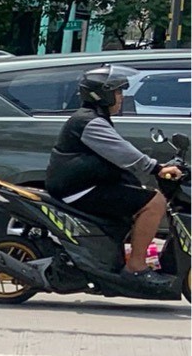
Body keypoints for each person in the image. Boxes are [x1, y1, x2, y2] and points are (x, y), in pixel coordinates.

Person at [43, 68, 185, 275]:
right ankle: (136, 265)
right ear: (102, 95)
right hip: (78, 189)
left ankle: (124, 256)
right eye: (117, 92)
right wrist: (157, 168)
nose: (121, 97)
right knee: (155, 203)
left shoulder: (94, 118)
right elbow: (123, 152)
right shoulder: (90, 122)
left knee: (139, 193)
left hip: (85, 185)